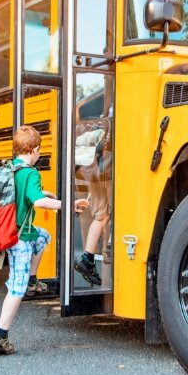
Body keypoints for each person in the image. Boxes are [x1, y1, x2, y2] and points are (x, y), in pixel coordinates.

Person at [0, 124, 89, 355]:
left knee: (43, 236)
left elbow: (30, 195)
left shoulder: (12, 168)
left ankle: (33, 279)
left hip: (14, 232)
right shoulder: (31, 172)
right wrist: (67, 205)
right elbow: (38, 202)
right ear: (34, 150)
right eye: (40, 150)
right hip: (19, 240)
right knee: (16, 288)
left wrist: (44, 193)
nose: (39, 154)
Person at [73, 113, 112, 286]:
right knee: (113, 213)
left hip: (94, 172)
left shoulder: (101, 119)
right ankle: (108, 251)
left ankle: (87, 257)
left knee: (101, 216)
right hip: (110, 172)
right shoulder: (116, 118)